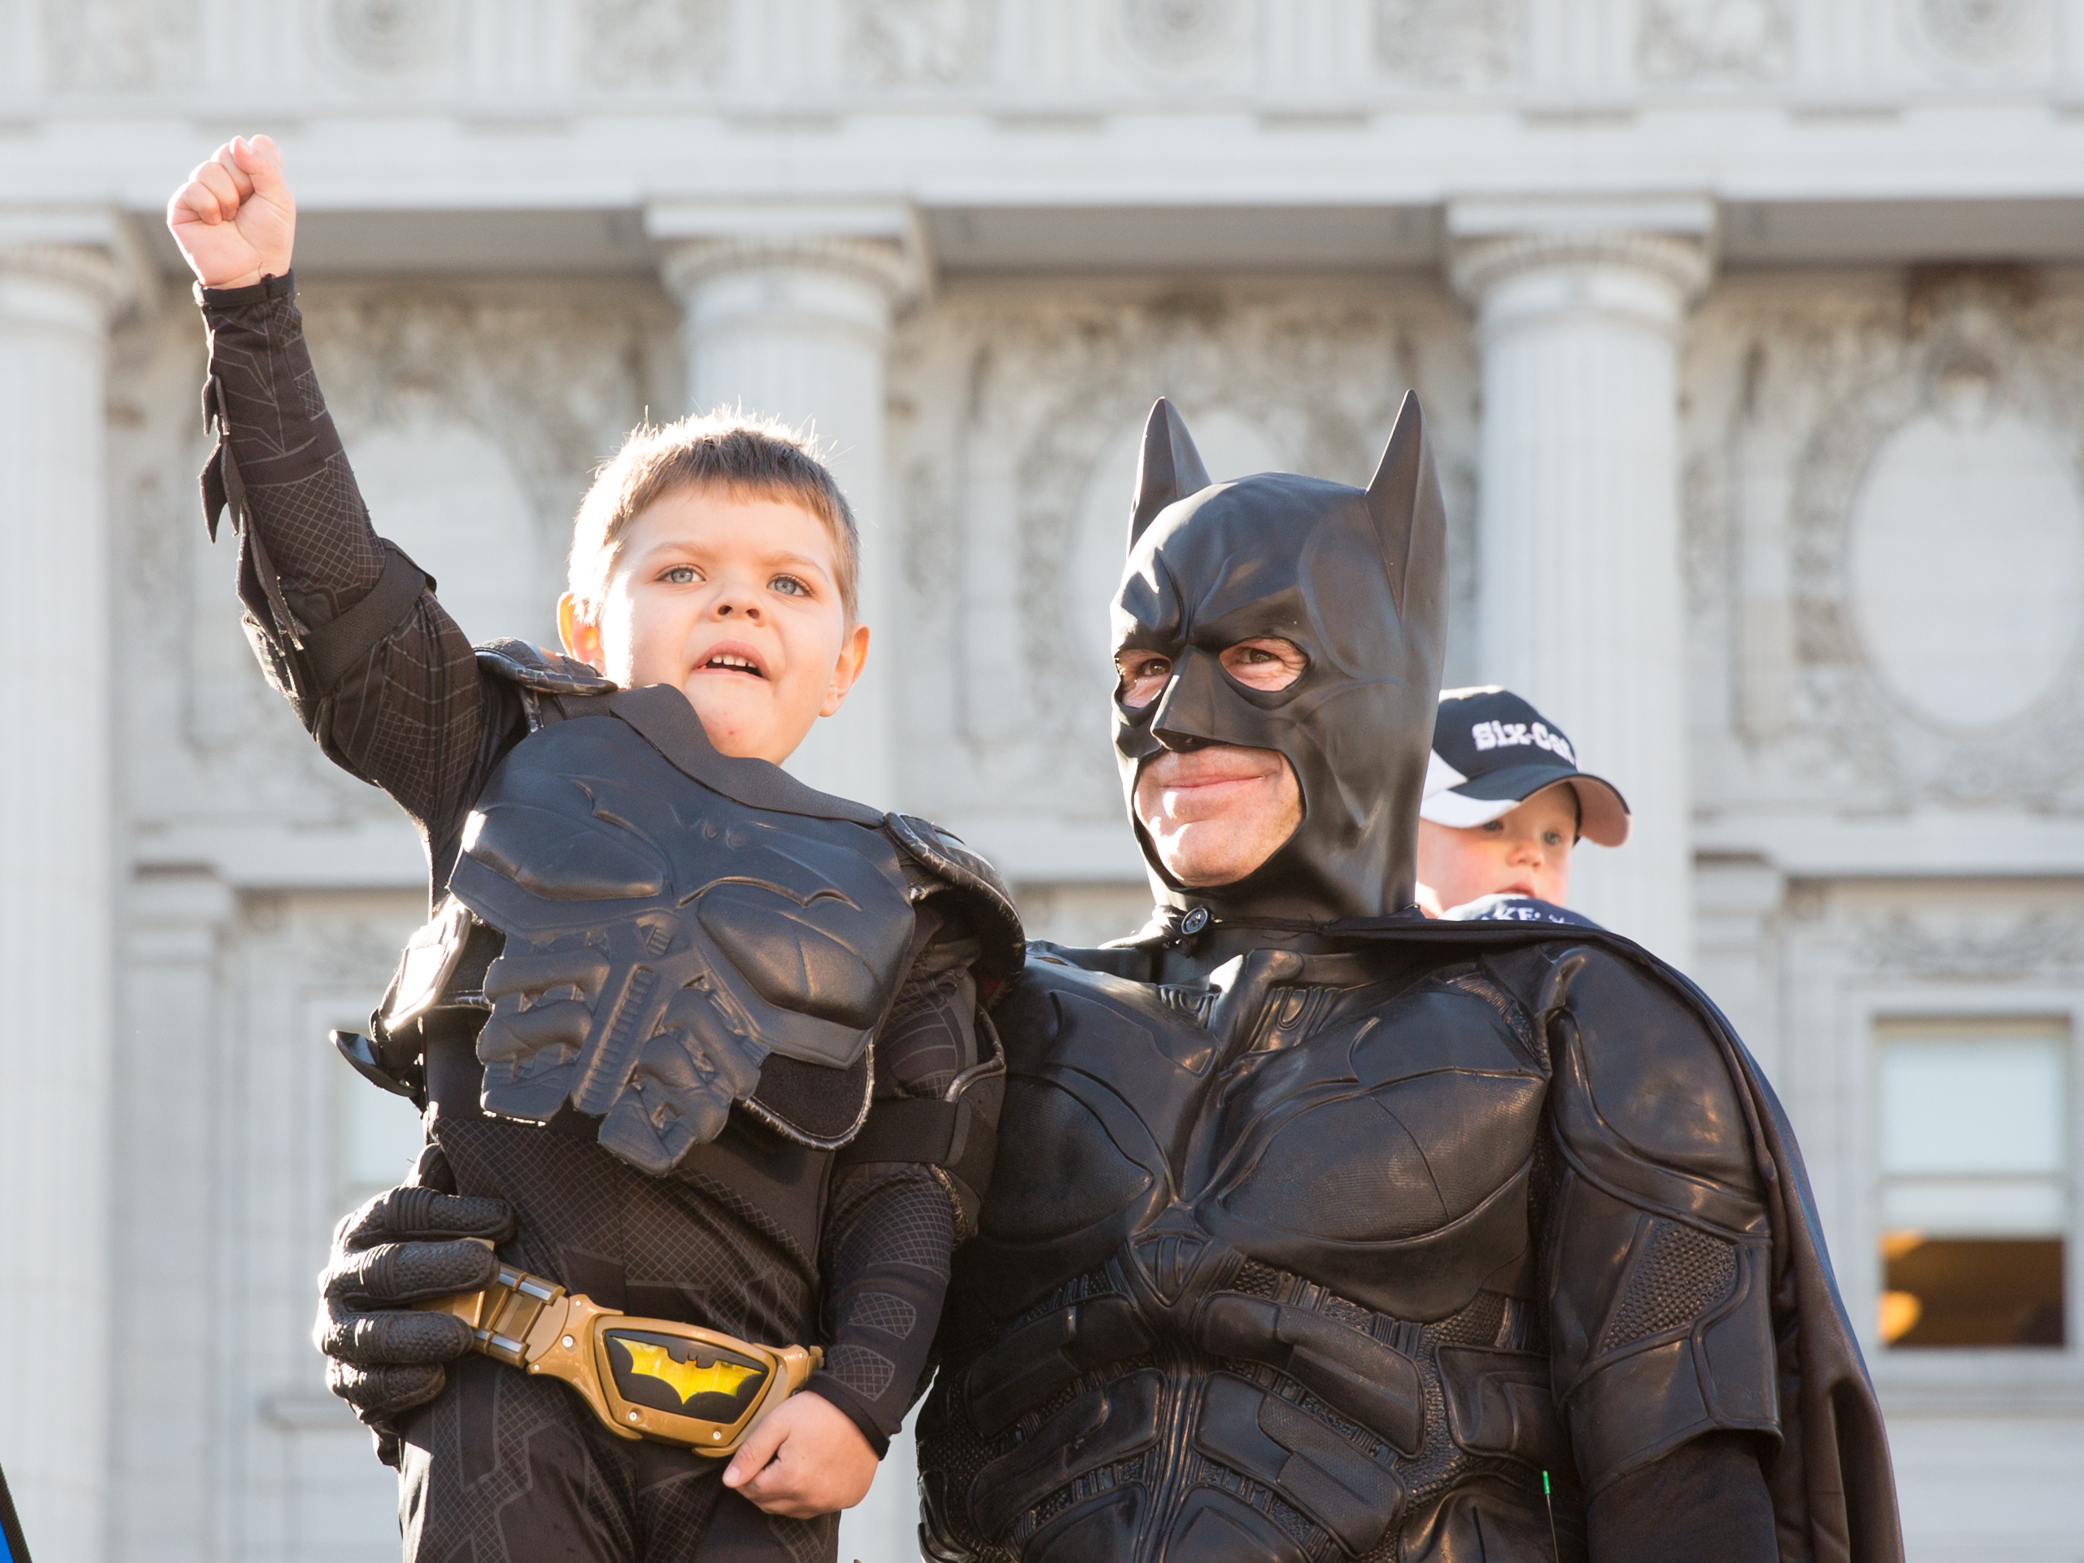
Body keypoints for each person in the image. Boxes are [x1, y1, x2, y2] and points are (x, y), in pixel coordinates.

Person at [318, 399, 1905, 1556]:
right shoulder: (1004, 1012)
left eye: (1258, 661)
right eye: (1147, 670)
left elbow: (1689, 1487)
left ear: (1378, 682)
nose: (1177, 719)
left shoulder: (1581, 1022)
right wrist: (461, 1284)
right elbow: (739, 1234)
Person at [168, 136, 1020, 1562]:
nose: (734, 603)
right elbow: (340, 596)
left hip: (751, 1449)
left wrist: (867, 1400)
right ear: (586, 628)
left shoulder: (914, 902)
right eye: (680, 571)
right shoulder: (504, 753)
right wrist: (253, 308)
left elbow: (911, 1187)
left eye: (786, 583)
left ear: (846, 657)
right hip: (507, 1397)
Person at [1415, 686, 1630, 929]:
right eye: (1492, 823)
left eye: (1552, 837)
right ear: (1400, 840)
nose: (1532, 854)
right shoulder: (1365, 962)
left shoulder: (1586, 963)